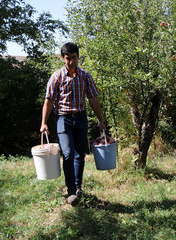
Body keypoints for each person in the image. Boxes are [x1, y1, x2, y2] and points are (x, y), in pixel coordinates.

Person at [40, 42, 106, 205]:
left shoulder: (85, 76)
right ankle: (70, 190)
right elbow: (49, 101)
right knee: (68, 153)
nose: (71, 61)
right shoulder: (57, 76)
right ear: (63, 58)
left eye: (74, 58)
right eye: (67, 58)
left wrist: (101, 120)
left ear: (78, 57)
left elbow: (93, 99)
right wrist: (44, 123)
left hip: (81, 118)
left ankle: (78, 188)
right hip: (63, 118)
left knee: (80, 154)